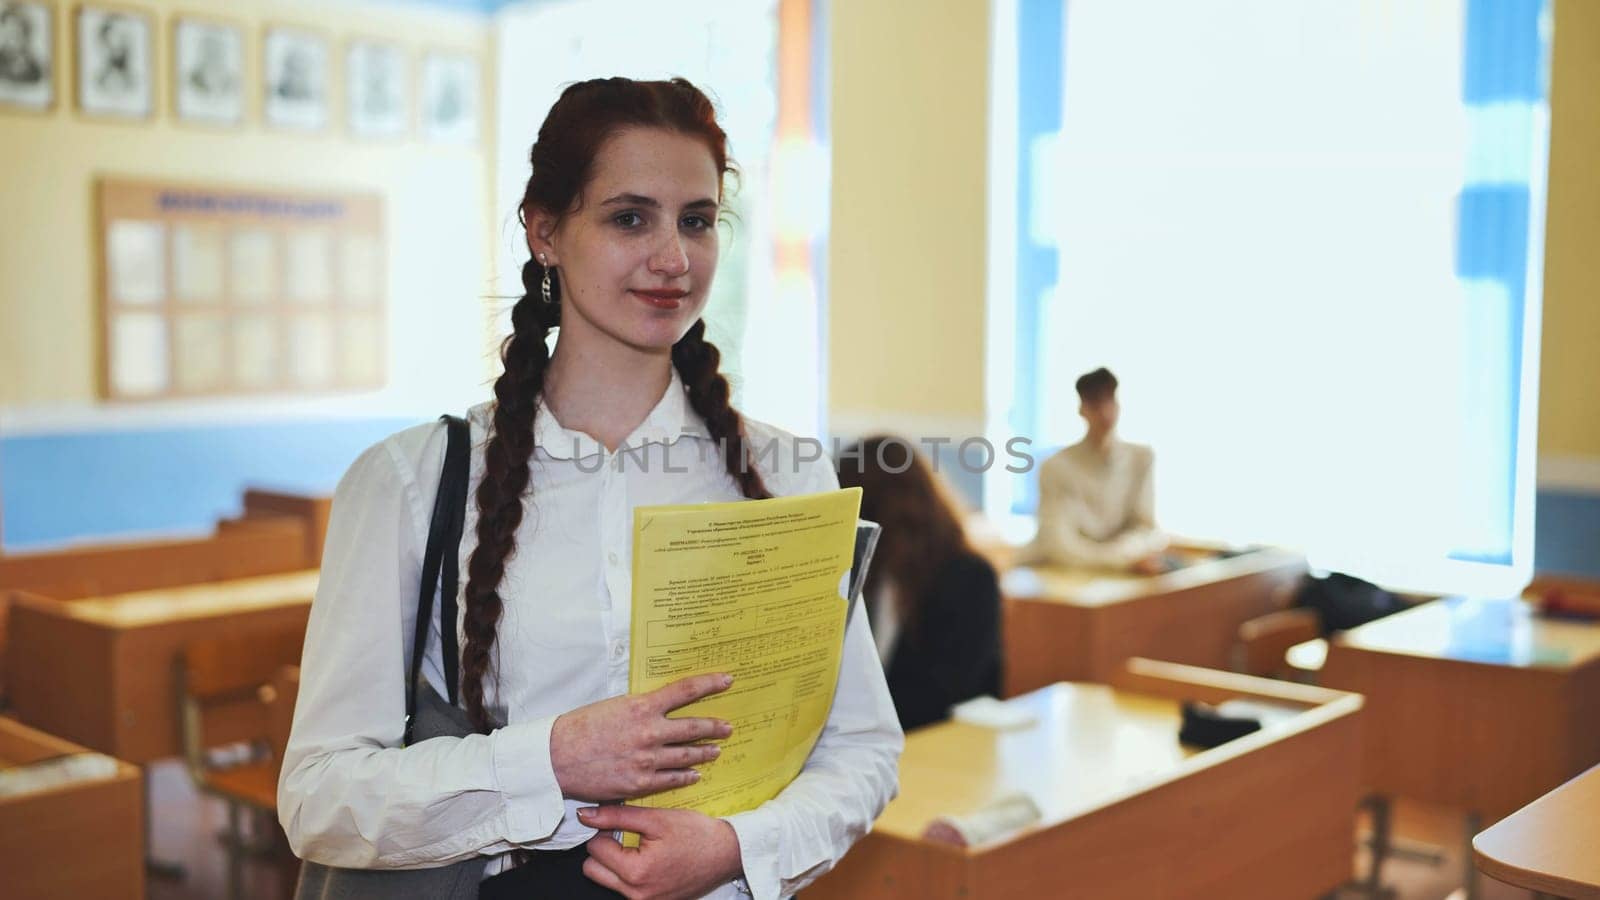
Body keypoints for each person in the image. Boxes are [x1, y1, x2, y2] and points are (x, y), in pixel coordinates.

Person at [279, 77, 902, 900]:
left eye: (698, 220)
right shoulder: (409, 482)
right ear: (545, 232)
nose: (673, 258)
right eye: (629, 218)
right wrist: (548, 760)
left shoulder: (784, 474)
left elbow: (862, 750)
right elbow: (319, 796)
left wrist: (736, 847)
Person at [836, 436, 1001, 731]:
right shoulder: (863, 577)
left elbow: (946, 692)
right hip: (869, 743)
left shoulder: (968, 577)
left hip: (942, 747)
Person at [1022, 367, 1169, 574]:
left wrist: (1124, 553)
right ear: (1082, 409)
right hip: (1066, 576)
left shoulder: (1141, 459)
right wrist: (1121, 561)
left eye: (1110, 400)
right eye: (1096, 403)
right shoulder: (1056, 467)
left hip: (1122, 577)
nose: (1105, 412)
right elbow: (1059, 545)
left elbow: (1147, 529)